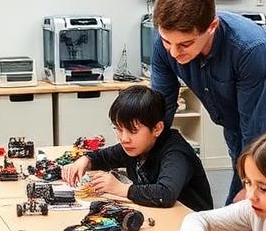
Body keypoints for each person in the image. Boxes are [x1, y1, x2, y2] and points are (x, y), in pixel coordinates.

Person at [150, 0, 266, 203]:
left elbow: (256, 126)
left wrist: (248, 187)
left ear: (212, 26)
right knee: (243, 202)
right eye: (168, 42)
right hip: (236, 121)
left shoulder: (249, 47)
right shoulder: (163, 42)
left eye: (185, 44)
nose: (174, 53)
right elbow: (160, 108)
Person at [61, 85, 213, 211]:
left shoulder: (176, 152)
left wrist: (120, 188)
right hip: (157, 215)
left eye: (133, 130)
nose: (124, 139)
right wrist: (84, 161)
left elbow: (165, 194)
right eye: (118, 129)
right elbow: (104, 157)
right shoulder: (135, 145)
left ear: (157, 128)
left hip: (190, 225)